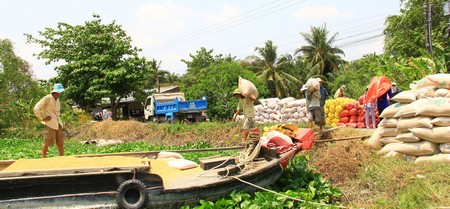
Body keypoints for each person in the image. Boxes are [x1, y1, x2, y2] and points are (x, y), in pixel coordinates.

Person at [33, 83, 65, 158]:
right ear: (55, 91)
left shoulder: (57, 100)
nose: (59, 93)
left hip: (58, 123)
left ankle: (62, 158)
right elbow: (36, 108)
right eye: (58, 92)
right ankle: (44, 158)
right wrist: (42, 118)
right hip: (50, 123)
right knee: (47, 142)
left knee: (60, 142)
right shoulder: (47, 98)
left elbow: (57, 112)